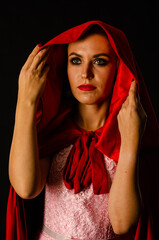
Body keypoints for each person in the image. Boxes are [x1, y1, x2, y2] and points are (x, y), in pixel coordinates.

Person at [6, 21, 159, 240]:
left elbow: (123, 223)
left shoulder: (130, 136)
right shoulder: (55, 129)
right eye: (76, 61)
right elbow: (25, 188)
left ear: (119, 68)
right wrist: (26, 102)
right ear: (64, 67)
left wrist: (130, 145)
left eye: (100, 61)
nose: (85, 73)